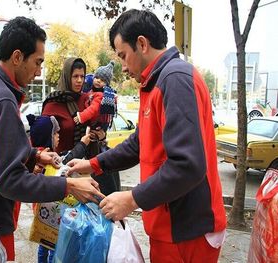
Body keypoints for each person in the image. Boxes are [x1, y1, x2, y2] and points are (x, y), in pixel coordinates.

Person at [67, 9, 226, 262]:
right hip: (168, 225)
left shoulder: (175, 79)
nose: (123, 66)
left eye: (123, 56)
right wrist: (93, 164)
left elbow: (188, 165)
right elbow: (138, 144)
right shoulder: (154, 83)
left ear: (142, 44)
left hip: (186, 229)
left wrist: (132, 198)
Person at [0, 17, 104, 261]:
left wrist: (33, 155)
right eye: (37, 62)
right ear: (17, 57)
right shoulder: (2, 101)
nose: (38, 72)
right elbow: (9, 180)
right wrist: (68, 185)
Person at [42, 57, 120, 196]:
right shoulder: (52, 104)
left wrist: (101, 134)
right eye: (75, 76)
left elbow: (97, 122)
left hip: (88, 171)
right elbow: (44, 146)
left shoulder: (88, 99)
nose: (79, 80)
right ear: (67, 76)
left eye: (82, 76)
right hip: (62, 170)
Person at [26, 114, 91, 263]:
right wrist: (82, 143)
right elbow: (67, 160)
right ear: (46, 136)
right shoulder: (46, 157)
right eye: (55, 133)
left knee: (43, 242)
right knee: (54, 240)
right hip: (51, 209)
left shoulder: (34, 154)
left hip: (40, 209)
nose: (58, 136)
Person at [74, 61, 117, 131]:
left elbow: (93, 109)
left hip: (94, 124)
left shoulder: (100, 95)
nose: (98, 81)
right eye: (97, 77)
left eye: (102, 80)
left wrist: (81, 116)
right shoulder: (92, 91)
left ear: (107, 84)